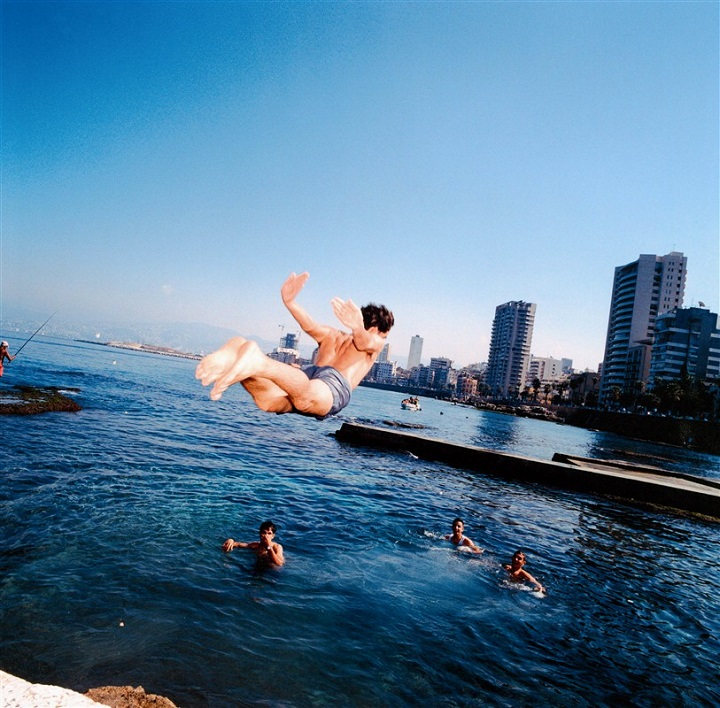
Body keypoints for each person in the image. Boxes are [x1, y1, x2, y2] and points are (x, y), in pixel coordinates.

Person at [196, 271, 394, 419]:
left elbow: (309, 326)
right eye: (384, 334)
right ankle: (258, 362)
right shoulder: (375, 342)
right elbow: (365, 340)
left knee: (268, 401)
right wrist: (359, 329)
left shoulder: (332, 335)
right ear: (377, 329)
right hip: (332, 383)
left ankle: (239, 350)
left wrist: (290, 302)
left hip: (309, 373)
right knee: (306, 399)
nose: (384, 339)